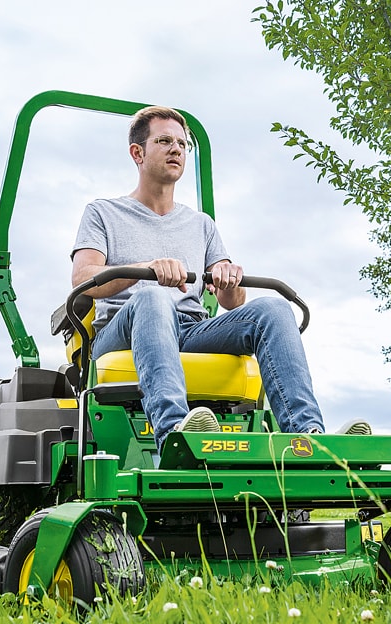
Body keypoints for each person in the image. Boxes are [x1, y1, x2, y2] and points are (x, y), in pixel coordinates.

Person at [69, 105, 369, 446]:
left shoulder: (201, 225)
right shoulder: (103, 212)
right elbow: (83, 277)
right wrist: (146, 270)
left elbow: (232, 302)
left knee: (272, 307)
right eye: (164, 141)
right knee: (152, 296)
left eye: (182, 144)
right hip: (125, 328)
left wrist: (229, 278)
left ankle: (306, 436)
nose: (176, 150)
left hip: (191, 328)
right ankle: (175, 433)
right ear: (137, 153)